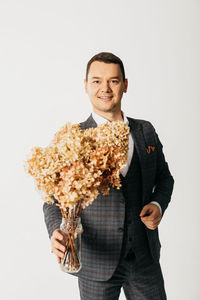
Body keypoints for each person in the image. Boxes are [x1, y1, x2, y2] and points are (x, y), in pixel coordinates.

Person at [43, 52, 174, 300]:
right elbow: (51, 197)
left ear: (125, 85)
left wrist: (157, 205)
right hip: (96, 261)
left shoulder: (145, 131)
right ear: (85, 86)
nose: (105, 88)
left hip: (144, 257)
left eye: (113, 81)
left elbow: (165, 178)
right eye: (96, 81)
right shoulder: (74, 138)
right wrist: (55, 230)